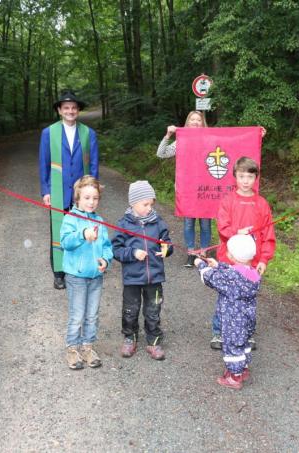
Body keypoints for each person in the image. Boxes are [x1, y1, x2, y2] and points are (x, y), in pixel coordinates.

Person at [209, 157, 276, 350]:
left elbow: (268, 234)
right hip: (228, 259)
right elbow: (222, 227)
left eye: (250, 176)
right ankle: (219, 332)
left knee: (248, 298)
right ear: (234, 177)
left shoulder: (262, 204)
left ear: (256, 178)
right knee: (225, 296)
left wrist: (264, 258)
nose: (245, 180)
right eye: (241, 176)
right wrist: (234, 233)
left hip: (251, 263)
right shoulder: (227, 201)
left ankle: (247, 332)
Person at [39, 91, 99, 290]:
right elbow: (44, 164)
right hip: (58, 192)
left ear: (78, 110)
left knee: (82, 229)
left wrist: (93, 191)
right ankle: (59, 273)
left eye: (73, 108)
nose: (70, 111)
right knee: (59, 231)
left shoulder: (88, 133)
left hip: (82, 193)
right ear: (59, 110)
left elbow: (94, 166)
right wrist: (46, 190)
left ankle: (80, 268)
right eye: (66, 108)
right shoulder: (49, 132)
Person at [112, 180, 174, 360]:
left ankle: (153, 341)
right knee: (130, 309)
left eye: (150, 204)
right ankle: (130, 337)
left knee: (153, 309)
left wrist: (166, 249)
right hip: (132, 278)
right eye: (144, 204)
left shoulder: (158, 222)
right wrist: (132, 253)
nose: (149, 208)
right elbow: (115, 249)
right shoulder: (123, 224)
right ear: (133, 203)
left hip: (154, 277)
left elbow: (167, 242)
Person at [59, 176, 113, 370]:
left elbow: (107, 247)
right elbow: (65, 242)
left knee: (92, 315)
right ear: (78, 199)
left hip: (96, 277)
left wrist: (105, 260)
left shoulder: (100, 221)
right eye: (87, 198)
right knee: (77, 315)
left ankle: (88, 347)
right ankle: (72, 349)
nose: (91, 202)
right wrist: (82, 235)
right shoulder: (70, 219)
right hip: (76, 277)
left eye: (95, 198)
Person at [195, 234, 261, 390]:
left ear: (233, 255)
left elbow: (210, 279)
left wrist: (200, 265)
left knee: (232, 345)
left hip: (233, 318)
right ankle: (242, 369)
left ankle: (234, 377)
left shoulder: (231, 276)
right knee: (242, 342)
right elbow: (233, 272)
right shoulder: (252, 273)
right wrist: (218, 265)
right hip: (246, 317)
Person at [156, 111, 211, 267]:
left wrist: (255, 135)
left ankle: (204, 253)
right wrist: (168, 135)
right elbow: (161, 154)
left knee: (205, 223)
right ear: (187, 122)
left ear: (202, 122)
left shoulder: (209, 139)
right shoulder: (182, 141)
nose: (195, 122)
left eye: (198, 120)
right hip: (187, 188)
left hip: (205, 188)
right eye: (192, 119)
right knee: (188, 223)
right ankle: (191, 253)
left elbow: (230, 145)